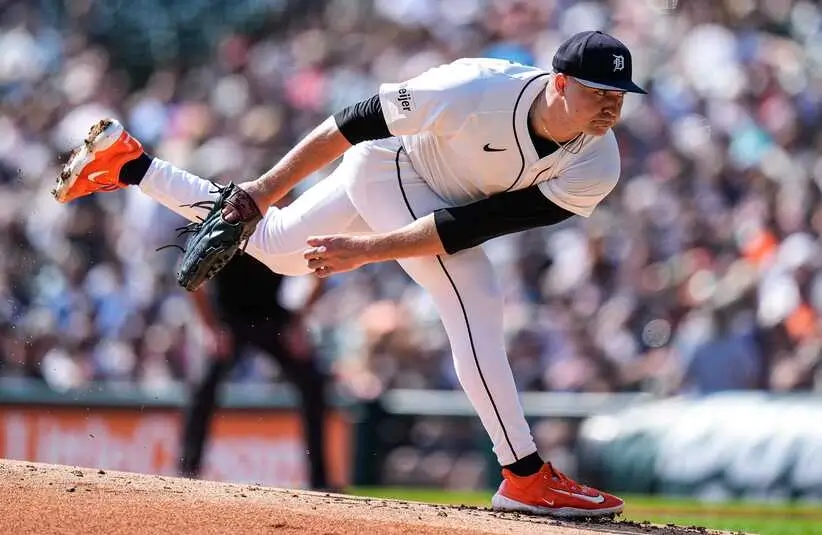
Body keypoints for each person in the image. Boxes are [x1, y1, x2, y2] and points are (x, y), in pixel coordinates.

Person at [53, 30, 645, 517]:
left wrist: (367, 249)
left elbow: (472, 225)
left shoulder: (598, 163)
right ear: (560, 83)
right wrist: (263, 190)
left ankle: (130, 165)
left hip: (436, 202)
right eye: (599, 91)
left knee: (276, 247)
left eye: (620, 94)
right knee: (476, 298)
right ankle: (524, 474)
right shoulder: (475, 88)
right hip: (391, 163)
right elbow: (354, 121)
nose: (612, 105)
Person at [178, 251, 332, 490]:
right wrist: (210, 327)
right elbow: (189, 274)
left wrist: (298, 322)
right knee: (202, 387)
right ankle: (187, 473)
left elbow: (322, 273)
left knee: (313, 382)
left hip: (271, 315)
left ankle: (319, 482)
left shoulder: (282, 231)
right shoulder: (226, 230)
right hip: (227, 318)